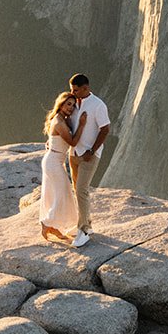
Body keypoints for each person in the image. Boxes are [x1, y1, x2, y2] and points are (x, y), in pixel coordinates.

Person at [66, 73, 110, 248]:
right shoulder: (74, 102)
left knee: (82, 190)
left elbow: (105, 129)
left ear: (86, 88)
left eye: (76, 90)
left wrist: (92, 150)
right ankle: (86, 224)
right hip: (74, 153)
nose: (73, 93)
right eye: (72, 90)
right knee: (77, 189)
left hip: (88, 155)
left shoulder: (98, 105)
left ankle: (83, 231)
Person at [37, 91, 82, 243]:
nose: (71, 107)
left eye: (73, 105)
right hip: (53, 162)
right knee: (62, 193)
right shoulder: (59, 122)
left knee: (54, 194)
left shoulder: (62, 119)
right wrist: (82, 124)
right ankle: (46, 223)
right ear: (61, 104)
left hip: (54, 160)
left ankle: (53, 226)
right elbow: (72, 142)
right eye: (68, 104)